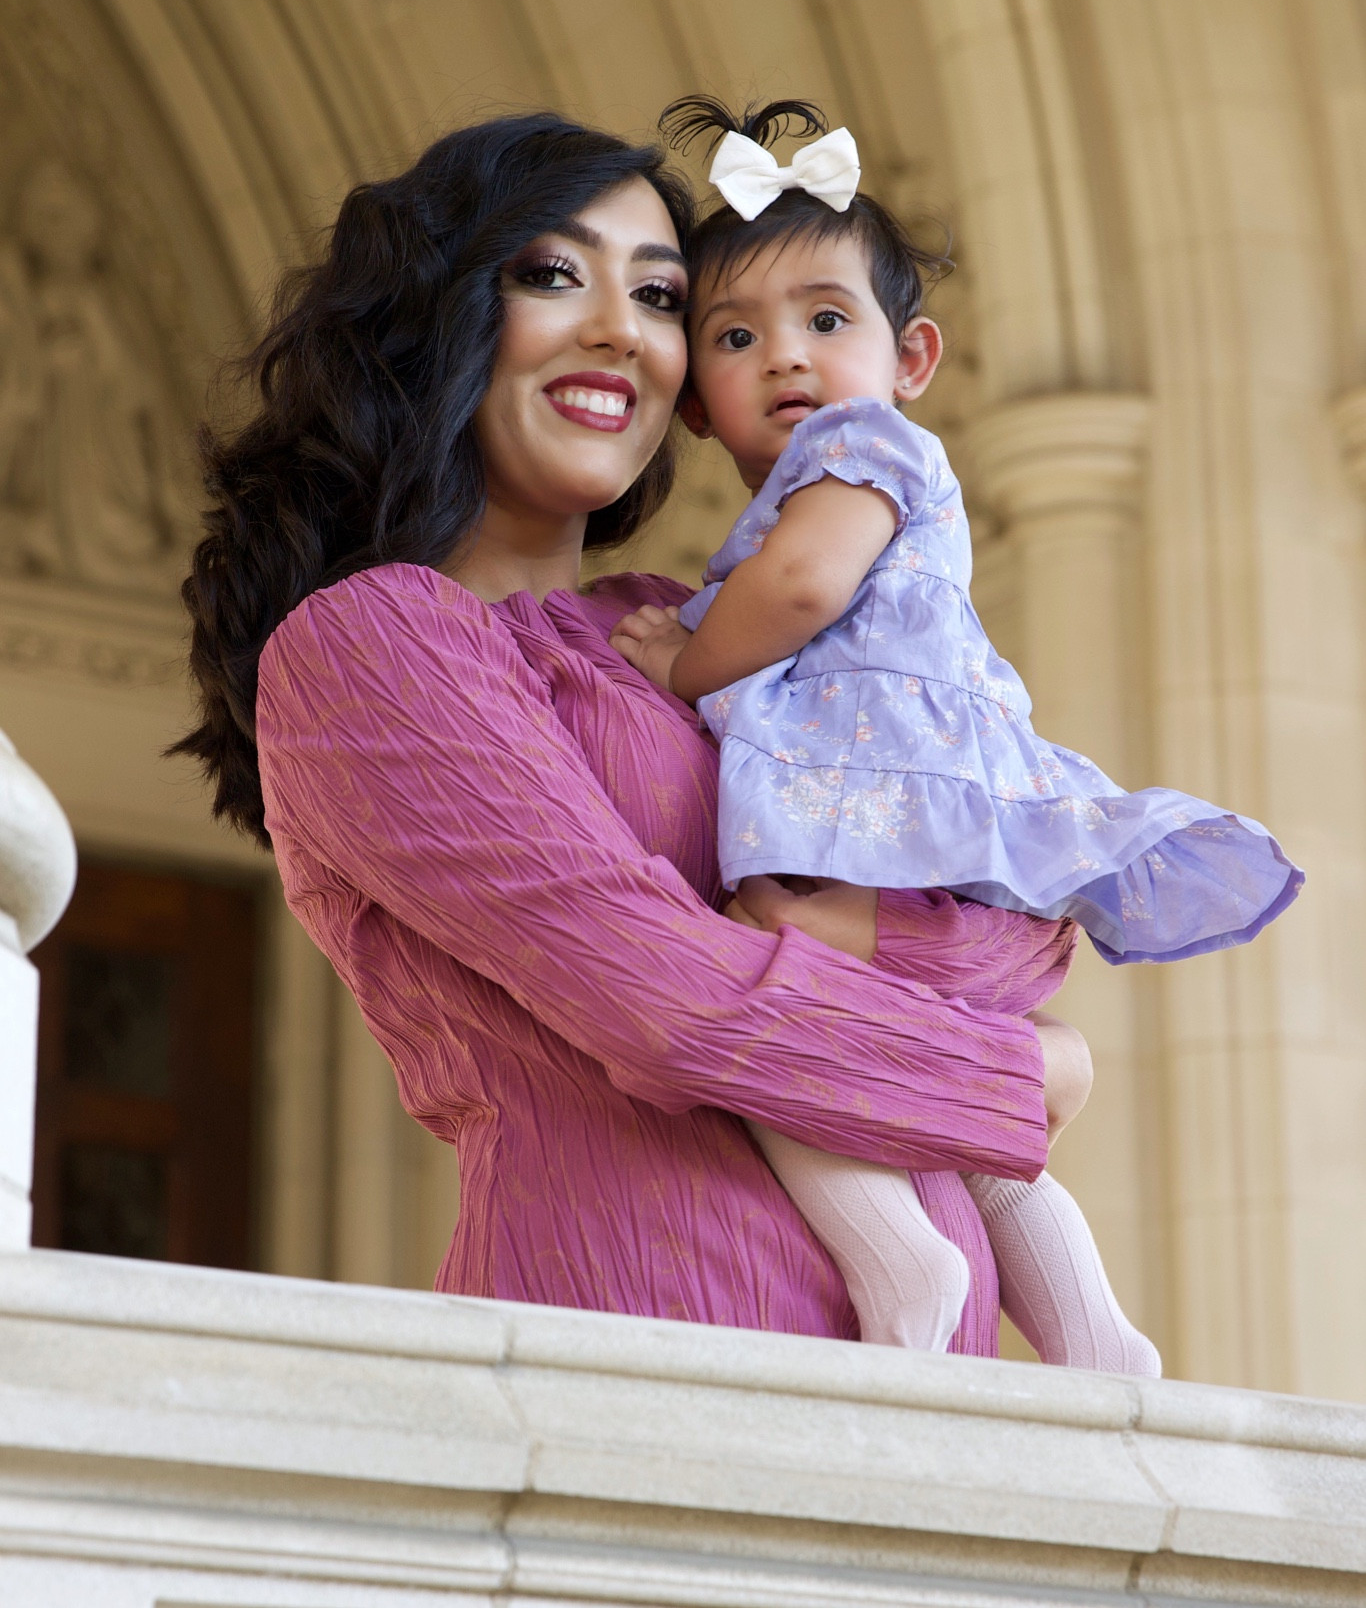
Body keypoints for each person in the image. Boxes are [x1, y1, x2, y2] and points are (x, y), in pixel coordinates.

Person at [175, 111, 1082, 1357]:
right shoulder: (370, 648)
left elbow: (984, 868)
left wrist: (948, 961)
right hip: (644, 1345)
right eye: (552, 274)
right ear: (438, 314)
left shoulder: (685, 631)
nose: (619, 328)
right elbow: (661, 998)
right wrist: (1019, 1077)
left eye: (659, 296)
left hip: (931, 1398)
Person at [611, 97, 1303, 1371]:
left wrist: (681, 665)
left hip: (889, 846)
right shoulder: (810, 488)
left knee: (768, 1011)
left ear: (910, 355)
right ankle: (1096, 1335)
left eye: (827, 320)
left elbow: (808, 589)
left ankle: (897, 1256)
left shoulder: (859, 449)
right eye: (735, 334)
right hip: (915, 859)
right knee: (939, 1099)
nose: (785, 356)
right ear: (694, 398)